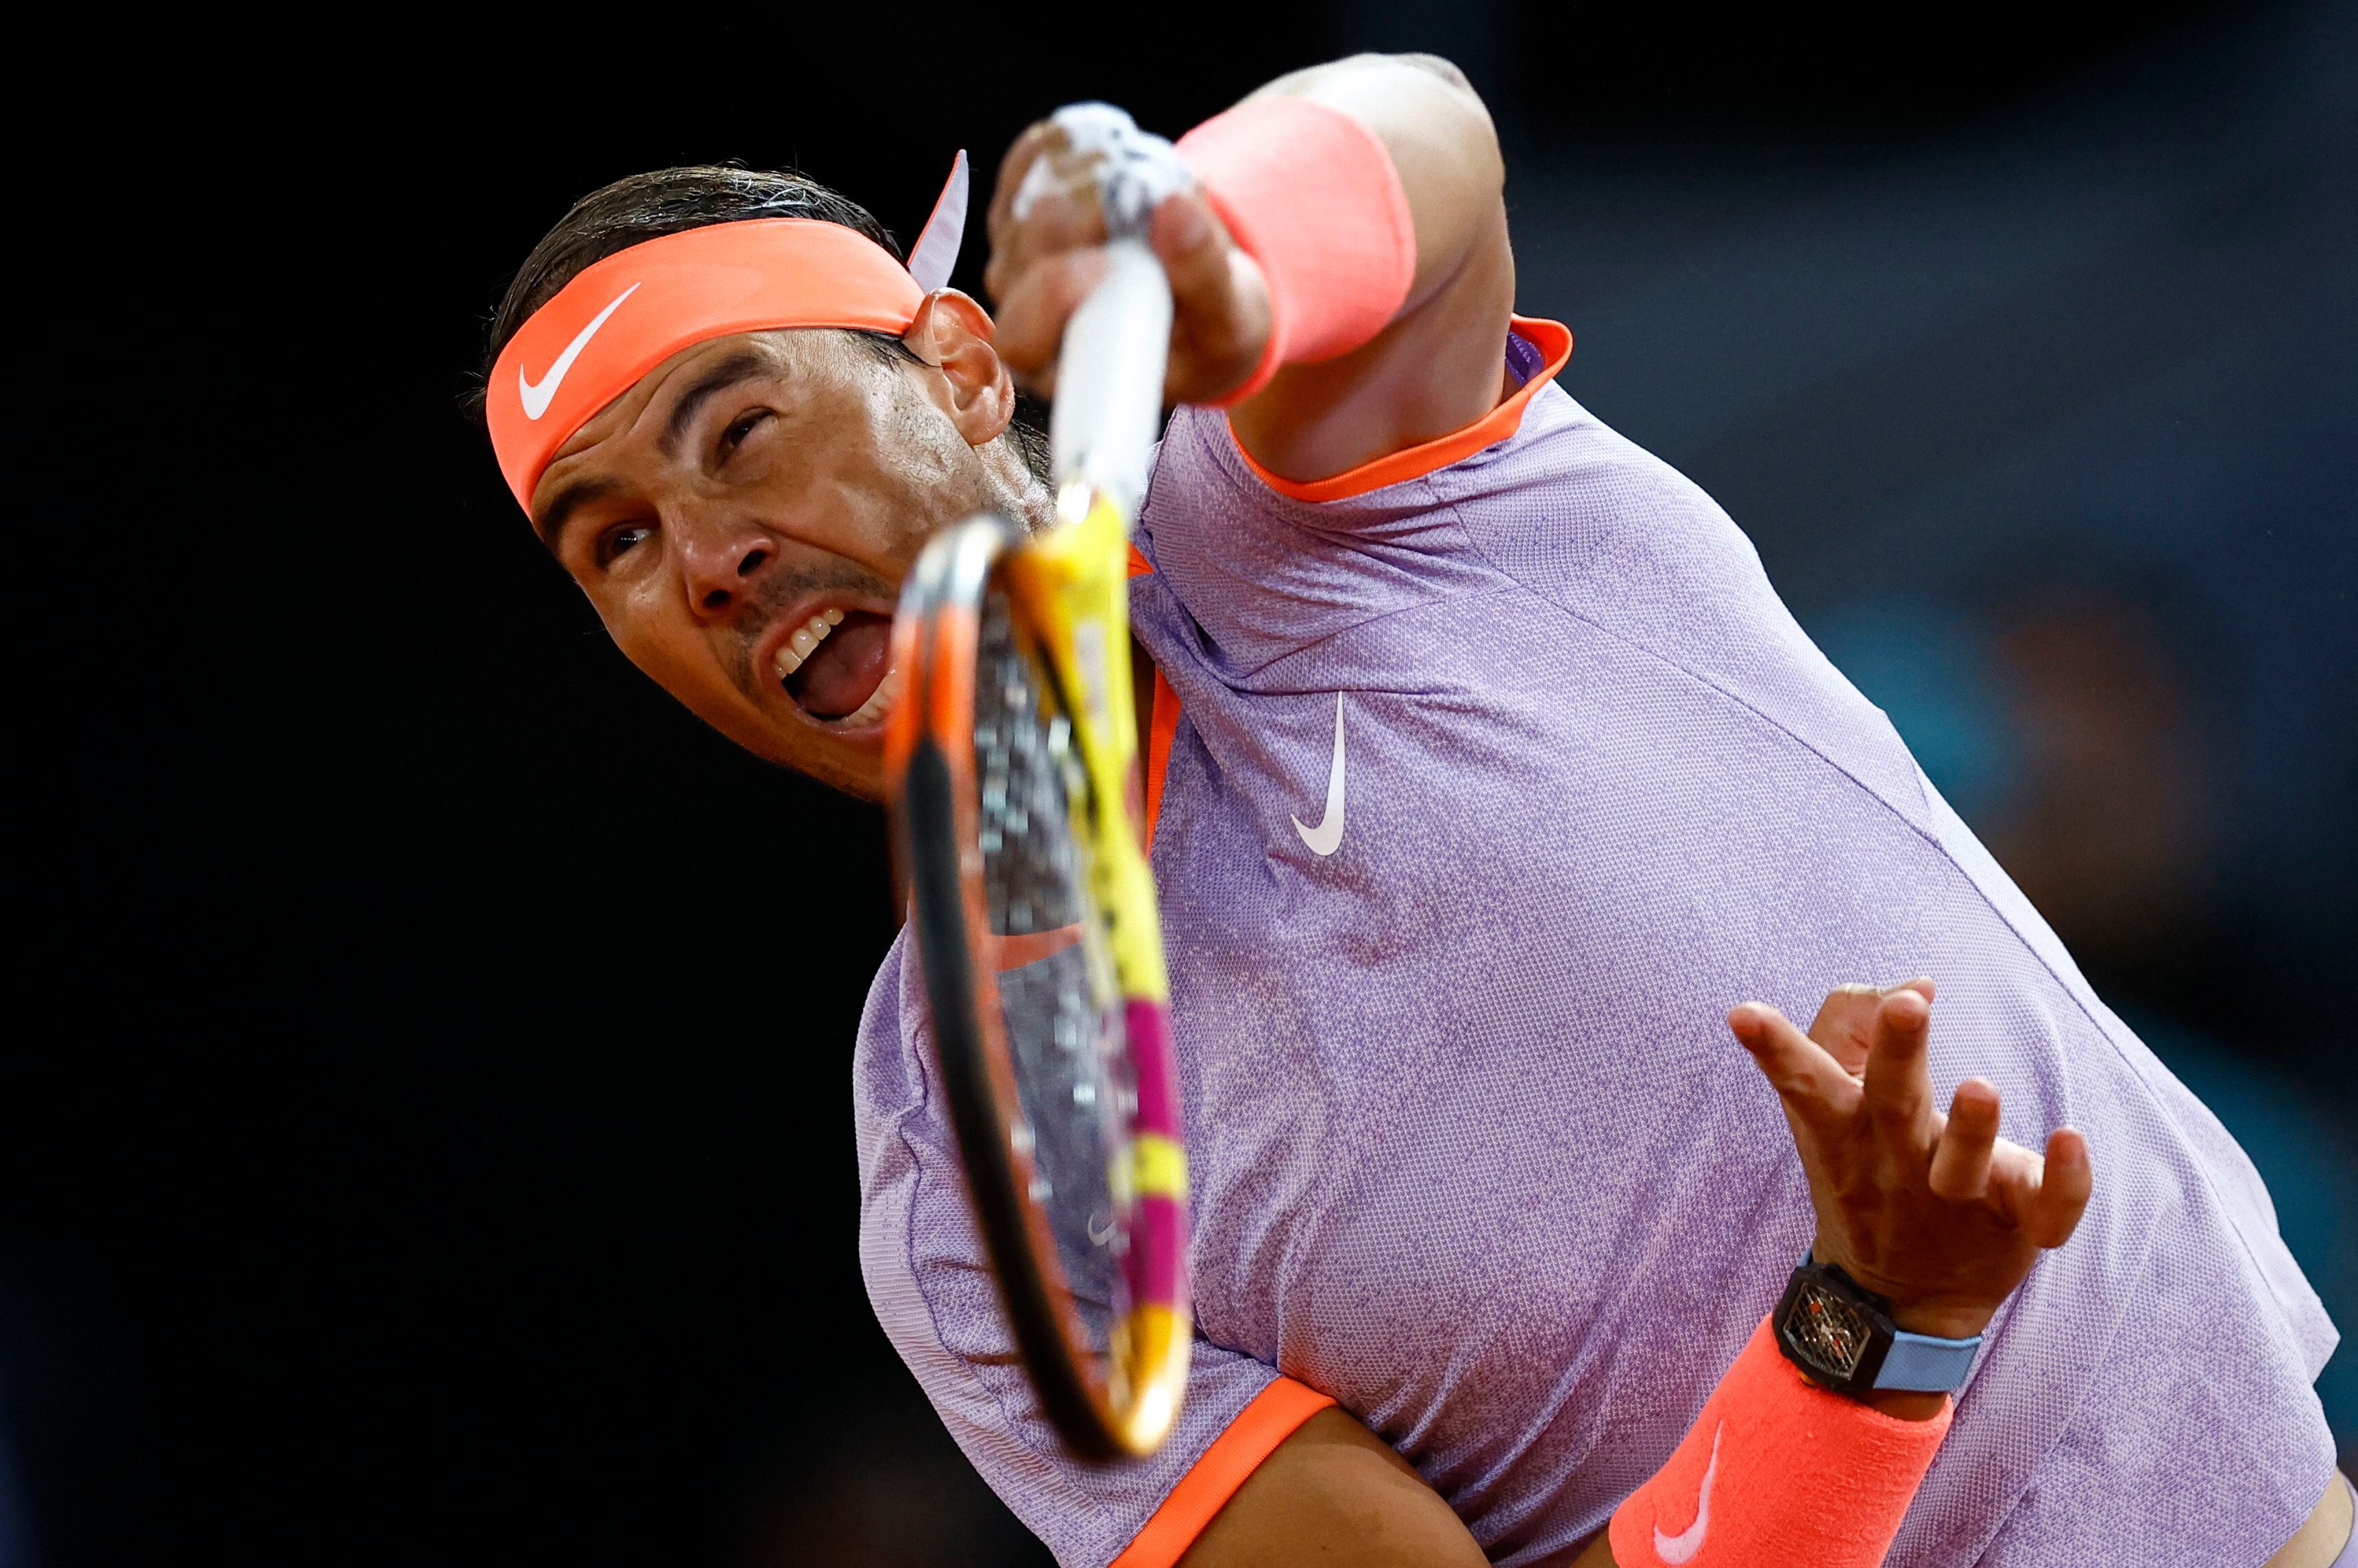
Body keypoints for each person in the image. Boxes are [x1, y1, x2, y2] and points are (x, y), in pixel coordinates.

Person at [472, 53, 2348, 1567]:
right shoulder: (972, 1212)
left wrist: (1200, 232)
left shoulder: (1329, 498)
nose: (705, 558)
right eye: (616, 544)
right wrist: (1869, 1340)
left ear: (965, 371)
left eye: (742, 432)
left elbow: (1427, 141)